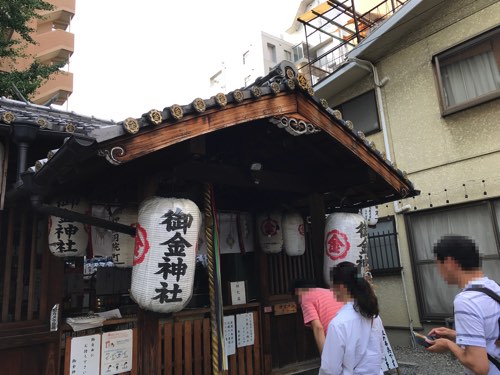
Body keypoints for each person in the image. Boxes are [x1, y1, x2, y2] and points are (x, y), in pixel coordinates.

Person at [426, 234, 500, 375]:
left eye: (438, 265)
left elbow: (479, 367)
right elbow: (491, 334)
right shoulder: (495, 288)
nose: (439, 272)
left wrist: (448, 344)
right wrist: (455, 335)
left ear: (448, 263)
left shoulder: (466, 301)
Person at [319, 262, 384, 375]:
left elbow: (330, 369)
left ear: (340, 287)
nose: (332, 291)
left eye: (332, 286)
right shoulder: (373, 315)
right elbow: (380, 352)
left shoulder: (338, 323)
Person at [293, 279, 344, 354]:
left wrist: (325, 359)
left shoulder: (305, 297)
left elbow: (318, 328)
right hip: (350, 334)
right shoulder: (328, 291)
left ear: (297, 293)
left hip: (336, 341)